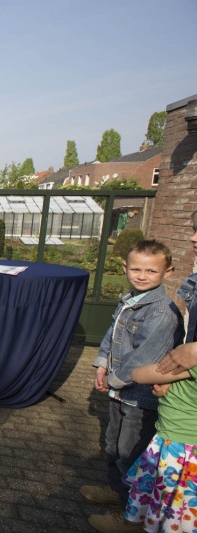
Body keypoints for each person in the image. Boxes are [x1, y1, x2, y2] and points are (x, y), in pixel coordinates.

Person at [79, 240, 183, 533]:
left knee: (131, 451)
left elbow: (144, 359)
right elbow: (113, 335)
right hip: (120, 390)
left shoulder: (162, 313)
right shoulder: (129, 299)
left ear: (168, 271)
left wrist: (114, 379)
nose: (141, 275)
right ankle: (116, 488)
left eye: (151, 271)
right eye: (136, 269)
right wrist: (101, 363)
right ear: (125, 268)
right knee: (113, 443)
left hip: (140, 397)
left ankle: (130, 514)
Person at [118, 214, 197, 533]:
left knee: (171, 492)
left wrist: (153, 375)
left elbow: (144, 368)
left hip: (182, 424)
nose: (193, 238)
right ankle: (125, 502)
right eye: (194, 229)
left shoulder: (162, 312)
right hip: (176, 401)